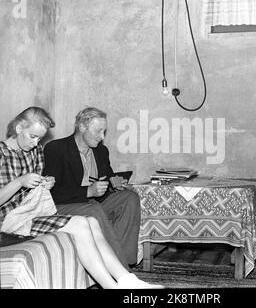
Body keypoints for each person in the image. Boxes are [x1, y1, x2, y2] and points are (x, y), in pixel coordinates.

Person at [0, 106, 161, 289]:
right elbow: (45, 193)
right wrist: (20, 182)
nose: (37, 143)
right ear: (19, 128)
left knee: (94, 218)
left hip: (30, 213)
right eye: (33, 136)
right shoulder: (7, 153)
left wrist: (44, 184)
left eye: (39, 138)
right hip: (9, 221)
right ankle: (119, 282)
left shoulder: (34, 152)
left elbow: (39, 193)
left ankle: (125, 280)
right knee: (88, 215)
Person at [43, 107, 141, 268]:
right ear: (82, 127)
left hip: (92, 202)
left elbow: (106, 177)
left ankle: (125, 260)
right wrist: (88, 191)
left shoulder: (101, 151)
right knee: (93, 208)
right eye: (98, 131)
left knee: (129, 198)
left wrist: (115, 183)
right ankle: (120, 269)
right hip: (63, 205)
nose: (102, 137)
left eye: (104, 132)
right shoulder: (56, 149)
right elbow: (51, 193)